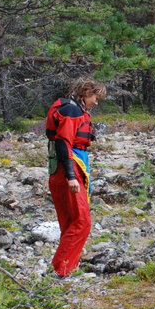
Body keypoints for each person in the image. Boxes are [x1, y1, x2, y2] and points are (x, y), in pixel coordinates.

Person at [45, 78, 106, 278]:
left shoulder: (70, 108)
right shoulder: (72, 111)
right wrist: (71, 176)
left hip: (61, 169)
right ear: (86, 93)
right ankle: (60, 271)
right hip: (68, 169)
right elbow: (63, 142)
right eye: (95, 98)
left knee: (70, 221)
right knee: (82, 221)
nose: (96, 103)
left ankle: (67, 266)